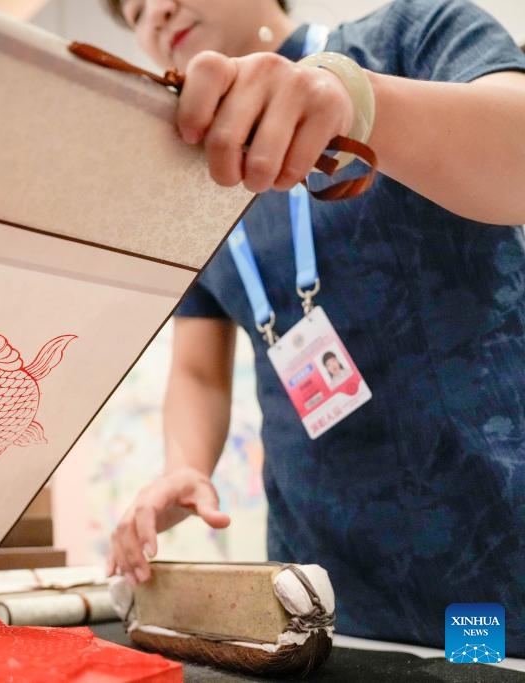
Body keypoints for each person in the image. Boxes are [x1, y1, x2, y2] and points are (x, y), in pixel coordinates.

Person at [105, 0, 525, 654]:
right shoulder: (190, 177)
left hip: (495, 546)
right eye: (132, 11)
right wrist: (182, 468)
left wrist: (357, 101)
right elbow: (197, 369)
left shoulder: (412, 35)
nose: (156, 11)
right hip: (322, 588)